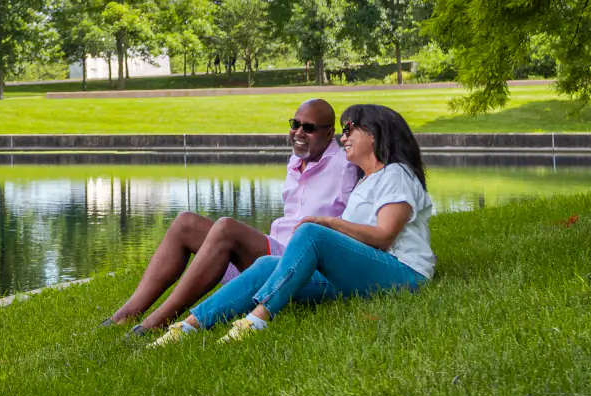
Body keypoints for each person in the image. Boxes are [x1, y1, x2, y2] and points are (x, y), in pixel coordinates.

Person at [150, 102, 435, 346]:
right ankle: (188, 326)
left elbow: (385, 236)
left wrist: (329, 224)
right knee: (266, 264)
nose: (343, 137)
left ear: (374, 134)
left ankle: (258, 318)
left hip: (403, 273)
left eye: (349, 130)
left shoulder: (396, 174)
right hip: (364, 272)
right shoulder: (366, 181)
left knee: (312, 231)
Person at [108, 99, 360, 328]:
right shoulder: (296, 161)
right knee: (185, 223)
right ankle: (124, 315)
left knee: (227, 228)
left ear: (330, 133)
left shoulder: (345, 166)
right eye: (295, 124)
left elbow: (358, 224)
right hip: (270, 254)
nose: (299, 132)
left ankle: (156, 322)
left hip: (298, 262)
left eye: (309, 128)